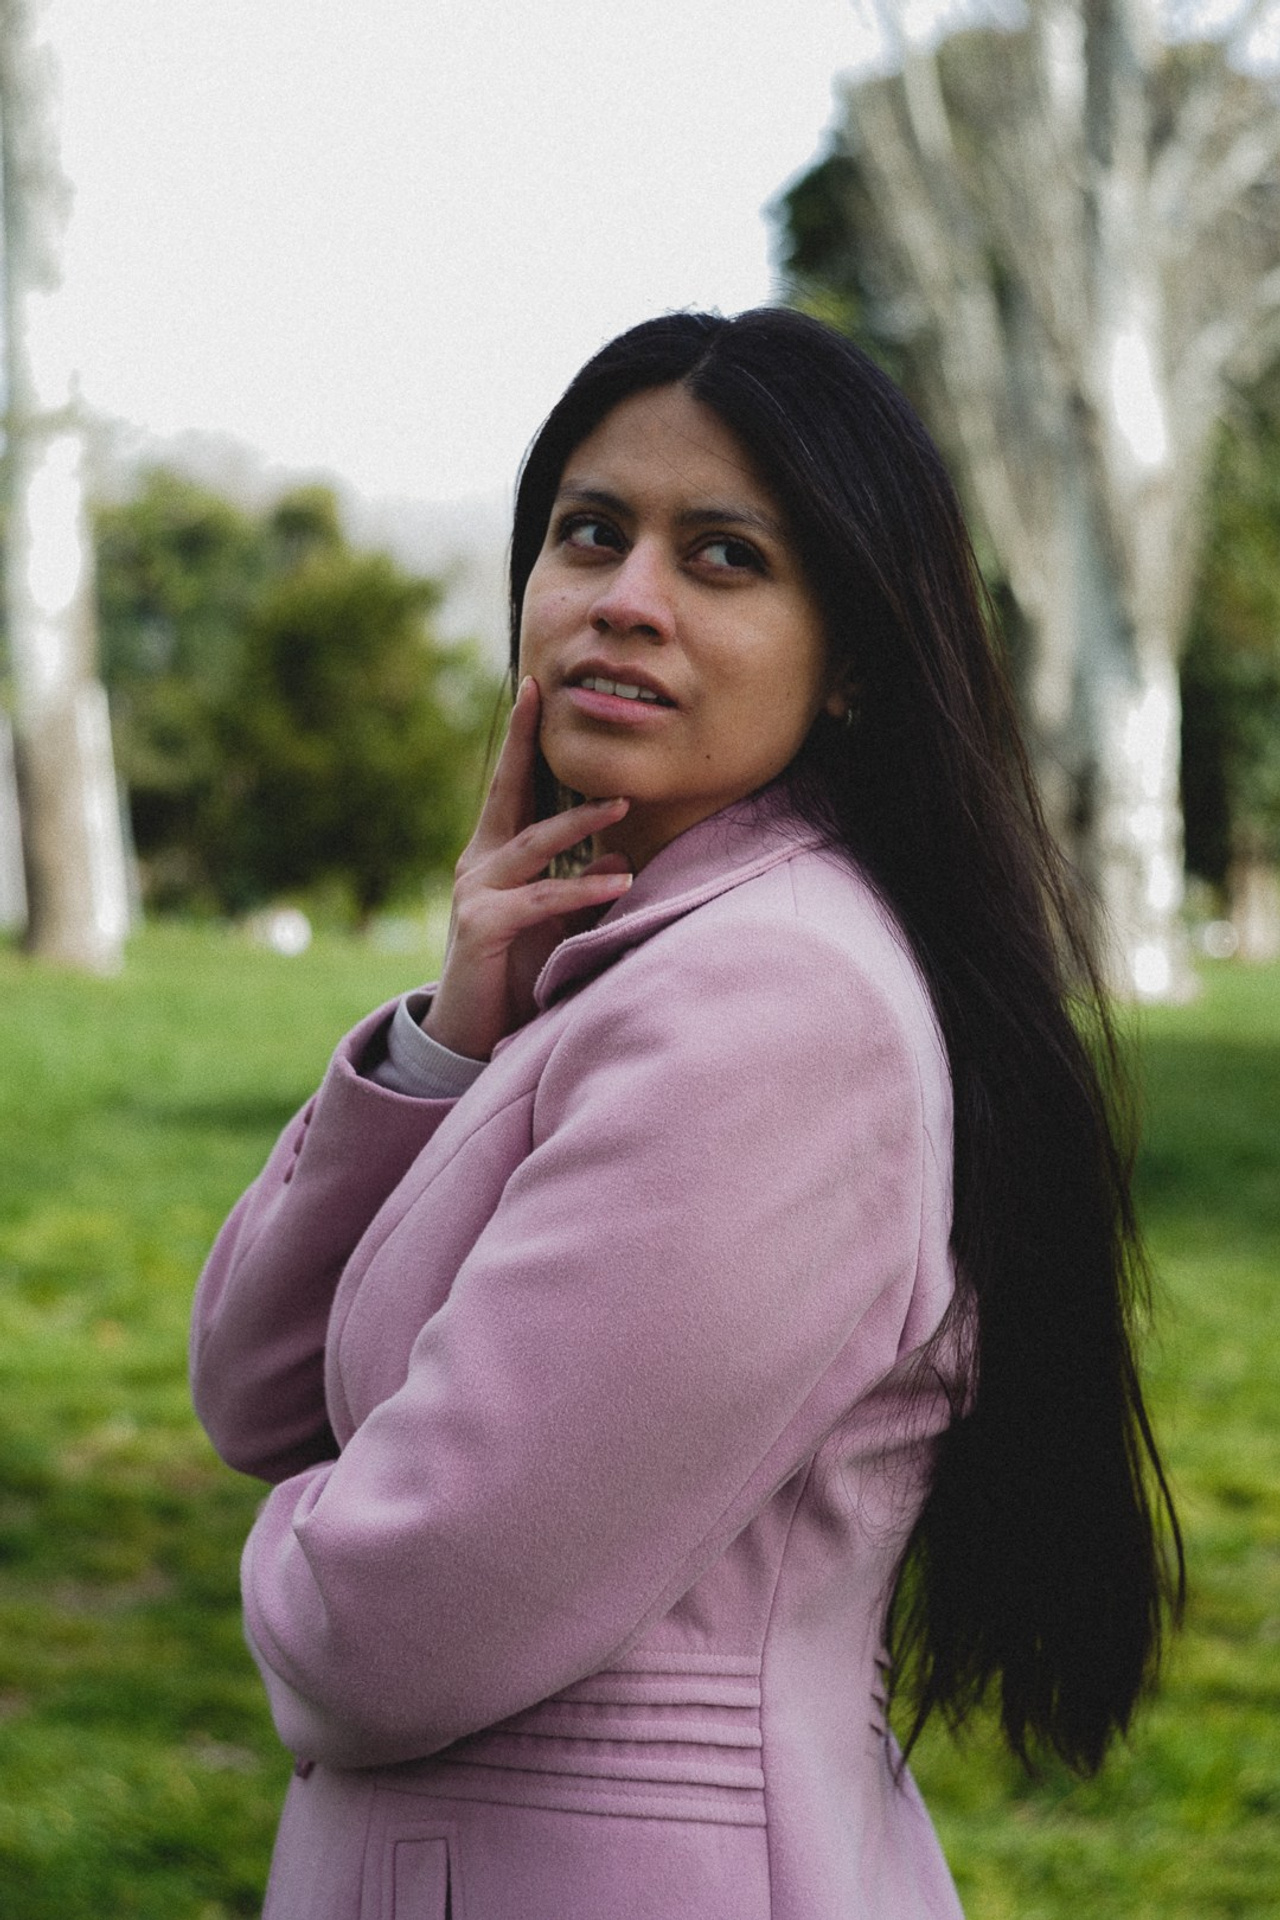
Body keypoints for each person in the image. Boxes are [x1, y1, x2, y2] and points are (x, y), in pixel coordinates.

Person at [191, 308, 1182, 1920]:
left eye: (723, 557)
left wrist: (324, 1529)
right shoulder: (632, 959)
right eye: (591, 534)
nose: (623, 602)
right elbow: (248, 1387)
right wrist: (454, 1032)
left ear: (853, 655)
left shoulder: (772, 1007)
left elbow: (379, 1633)